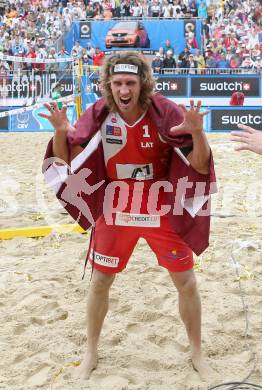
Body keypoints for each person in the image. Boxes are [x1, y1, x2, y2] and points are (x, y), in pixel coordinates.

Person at [41, 52, 216, 382]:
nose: (124, 89)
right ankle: (90, 353)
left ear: (143, 84)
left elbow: (201, 166)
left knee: (186, 282)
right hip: (115, 207)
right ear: (109, 84)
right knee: (100, 282)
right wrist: (61, 132)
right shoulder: (98, 114)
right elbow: (64, 167)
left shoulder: (165, 111)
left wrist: (198, 133)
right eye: (118, 83)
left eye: (130, 83)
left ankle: (197, 353)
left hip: (160, 206)